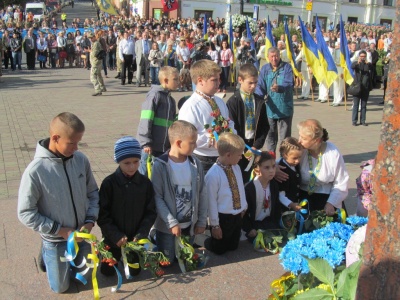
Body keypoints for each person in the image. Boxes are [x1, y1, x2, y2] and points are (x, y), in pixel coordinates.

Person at [17, 112, 99, 293]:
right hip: (55, 238)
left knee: (83, 278)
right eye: (72, 143)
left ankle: (65, 258)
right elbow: (25, 212)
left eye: (78, 142)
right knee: (60, 288)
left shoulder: (81, 160)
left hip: (80, 233)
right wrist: (58, 230)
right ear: (55, 138)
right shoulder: (36, 171)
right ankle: (47, 253)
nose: (76, 148)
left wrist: (90, 220)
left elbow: (93, 192)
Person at [97, 136, 156, 276]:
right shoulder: (109, 184)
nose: (132, 167)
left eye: (136, 162)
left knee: (135, 271)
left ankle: (132, 257)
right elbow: (102, 215)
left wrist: (142, 232)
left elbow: (151, 211)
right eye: (126, 163)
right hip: (113, 239)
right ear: (118, 161)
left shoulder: (145, 183)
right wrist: (115, 235)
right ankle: (105, 254)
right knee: (107, 272)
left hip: (134, 238)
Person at [151, 120, 208, 263]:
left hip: (189, 225)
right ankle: (154, 236)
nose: (196, 146)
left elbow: (202, 193)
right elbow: (157, 197)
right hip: (168, 227)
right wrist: (171, 222)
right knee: (167, 262)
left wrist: (201, 221)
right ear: (178, 143)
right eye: (192, 142)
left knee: (185, 259)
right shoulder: (160, 165)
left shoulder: (195, 163)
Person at [276, 119, 348, 215]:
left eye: (304, 138)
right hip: (303, 197)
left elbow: (341, 182)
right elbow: (285, 160)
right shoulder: (301, 150)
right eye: (299, 136)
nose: (299, 141)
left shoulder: (333, 153)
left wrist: (331, 203)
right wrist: (275, 167)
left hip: (326, 197)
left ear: (316, 140)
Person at [178, 59, 235, 173]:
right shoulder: (191, 106)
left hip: (223, 156)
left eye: (219, 79)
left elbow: (228, 122)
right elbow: (187, 137)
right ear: (200, 81)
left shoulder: (219, 101)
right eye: (214, 80)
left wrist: (232, 135)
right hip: (203, 159)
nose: (219, 83)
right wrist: (212, 141)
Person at [205, 133, 248, 255]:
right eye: (239, 155)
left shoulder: (236, 167)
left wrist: (244, 206)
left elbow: (240, 187)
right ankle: (205, 241)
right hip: (224, 218)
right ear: (228, 155)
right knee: (220, 249)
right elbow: (211, 201)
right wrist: (215, 225)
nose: (241, 158)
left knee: (233, 246)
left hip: (237, 214)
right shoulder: (213, 175)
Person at [226, 63, 268, 183]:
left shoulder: (259, 101)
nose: (253, 86)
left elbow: (265, 126)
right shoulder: (233, 102)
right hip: (238, 147)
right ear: (240, 80)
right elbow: (231, 127)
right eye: (250, 83)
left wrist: (256, 145)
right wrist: (242, 148)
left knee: (251, 179)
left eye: (256, 83)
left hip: (253, 146)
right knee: (237, 179)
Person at [137, 66, 179, 176]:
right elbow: (146, 120)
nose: (178, 82)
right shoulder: (154, 96)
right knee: (145, 175)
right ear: (165, 80)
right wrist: (145, 143)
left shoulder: (171, 100)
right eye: (175, 79)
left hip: (163, 148)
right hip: (151, 148)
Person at [255, 47, 294, 153]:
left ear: (279, 56)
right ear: (268, 57)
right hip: (270, 109)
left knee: (284, 139)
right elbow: (260, 86)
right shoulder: (264, 69)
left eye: (276, 56)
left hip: (284, 108)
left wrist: (279, 88)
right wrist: (257, 97)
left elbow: (289, 83)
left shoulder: (287, 67)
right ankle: (271, 161)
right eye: (271, 56)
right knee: (270, 138)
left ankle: (284, 162)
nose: (274, 58)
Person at [242, 151, 281, 241]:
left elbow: (276, 206)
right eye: (266, 168)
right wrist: (248, 229)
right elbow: (243, 212)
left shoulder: (274, 185)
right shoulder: (249, 188)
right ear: (257, 170)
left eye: (273, 166)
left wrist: (276, 223)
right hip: (253, 223)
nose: (271, 170)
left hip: (268, 222)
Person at [277, 137, 303, 212]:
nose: (297, 161)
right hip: (284, 208)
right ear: (284, 155)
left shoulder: (295, 165)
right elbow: (280, 194)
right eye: (294, 158)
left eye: (299, 157)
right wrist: (290, 204)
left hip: (295, 205)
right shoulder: (282, 171)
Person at [351, 50, 372, 126]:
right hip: (357, 87)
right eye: (361, 56)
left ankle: (363, 120)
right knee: (356, 105)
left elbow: (370, 68)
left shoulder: (368, 64)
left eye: (364, 56)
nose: (363, 58)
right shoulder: (356, 63)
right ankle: (354, 121)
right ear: (359, 56)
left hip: (365, 87)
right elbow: (352, 66)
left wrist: (367, 63)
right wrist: (358, 62)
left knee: (363, 105)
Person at [88, 31, 106, 96]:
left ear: (93, 37)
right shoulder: (95, 43)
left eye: (91, 38)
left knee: (92, 77)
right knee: (99, 75)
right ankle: (102, 87)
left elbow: (94, 53)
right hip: (98, 62)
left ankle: (98, 90)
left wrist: (89, 51)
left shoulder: (95, 43)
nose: (90, 39)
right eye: (89, 38)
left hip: (95, 62)